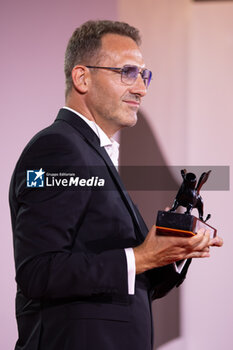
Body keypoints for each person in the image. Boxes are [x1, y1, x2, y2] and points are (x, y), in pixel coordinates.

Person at [9, 20, 223, 350]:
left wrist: (171, 251)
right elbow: (38, 273)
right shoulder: (58, 149)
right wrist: (140, 257)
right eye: (127, 73)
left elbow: (133, 283)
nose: (141, 88)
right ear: (82, 78)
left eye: (143, 75)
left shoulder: (92, 153)